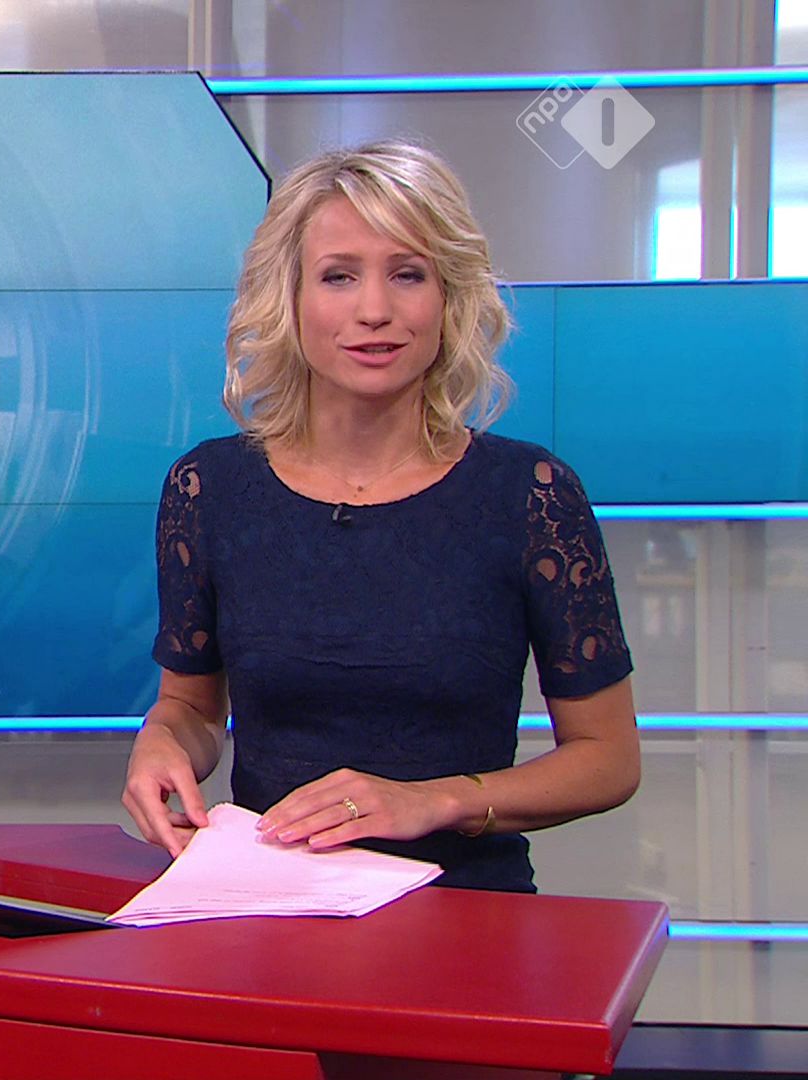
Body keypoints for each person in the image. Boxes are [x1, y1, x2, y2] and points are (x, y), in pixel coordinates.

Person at [121, 139, 640, 892]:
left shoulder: (531, 495)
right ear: (289, 298)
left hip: (463, 910)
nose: (374, 311)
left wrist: (435, 801)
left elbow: (608, 759)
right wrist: (161, 740)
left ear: (449, 298)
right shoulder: (209, 488)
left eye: (408, 274)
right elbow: (192, 710)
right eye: (339, 276)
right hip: (268, 904)